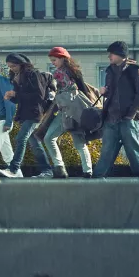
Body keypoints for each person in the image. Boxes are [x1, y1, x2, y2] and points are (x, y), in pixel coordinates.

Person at [93, 41, 139, 179]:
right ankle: (98, 177)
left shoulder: (135, 70)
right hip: (111, 117)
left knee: (132, 148)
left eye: (112, 53)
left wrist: (131, 115)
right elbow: (112, 92)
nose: (109, 56)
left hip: (129, 118)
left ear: (121, 54)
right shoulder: (110, 71)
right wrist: (104, 91)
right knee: (107, 149)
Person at [0, 53, 54, 178]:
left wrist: (16, 94)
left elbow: (39, 96)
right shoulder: (16, 77)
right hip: (24, 114)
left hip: (35, 113)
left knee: (20, 138)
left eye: (14, 66)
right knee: (35, 144)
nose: (12, 69)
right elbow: (19, 100)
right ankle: (47, 171)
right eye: (10, 67)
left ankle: (13, 169)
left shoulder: (33, 75)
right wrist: (11, 97)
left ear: (22, 64)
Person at [44, 47, 93, 179]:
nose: (53, 62)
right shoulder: (56, 73)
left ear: (62, 58)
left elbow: (84, 89)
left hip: (75, 109)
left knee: (78, 141)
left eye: (54, 60)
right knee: (50, 138)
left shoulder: (74, 71)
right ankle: (61, 168)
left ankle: (87, 171)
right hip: (64, 110)